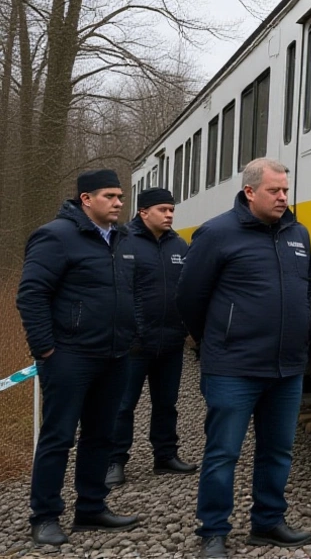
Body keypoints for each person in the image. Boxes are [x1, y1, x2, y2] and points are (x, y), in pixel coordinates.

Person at [177, 158, 311, 558]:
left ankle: (268, 522)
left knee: (278, 450)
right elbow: (190, 298)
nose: (283, 198)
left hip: (287, 368)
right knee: (223, 453)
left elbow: (305, 292)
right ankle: (214, 532)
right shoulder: (217, 233)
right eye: (275, 191)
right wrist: (216, 341)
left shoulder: (298, 234)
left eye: (286, 190)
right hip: (233, 367)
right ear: (250, 191)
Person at [16, 169, 142, 545]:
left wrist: (129, 333)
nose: (119, 203)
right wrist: (46, 350)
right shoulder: (56, 236)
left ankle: (91, 508)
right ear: (86, 199)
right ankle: (45, 515)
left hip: (115, 355)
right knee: (58, 436)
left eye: (121, 196)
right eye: (110, 196)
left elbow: (128, 292)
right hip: (69, 356)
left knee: (101, 435)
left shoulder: (121, 239)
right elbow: (31, 295)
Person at [106, 187, 197, 489]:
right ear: (144, 212)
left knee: (167, 404)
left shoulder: (179, 246)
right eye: (163, 210)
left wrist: (186, 330)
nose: (170, 215)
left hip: (170, 342)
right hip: (133, 345)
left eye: (172, 209)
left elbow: (187, 291)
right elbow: (114, 291)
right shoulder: (122, 241)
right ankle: (114, 461)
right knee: (122, 405)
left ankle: (165, 456)